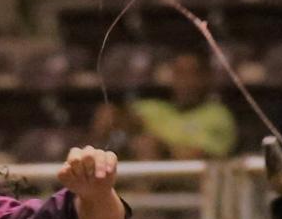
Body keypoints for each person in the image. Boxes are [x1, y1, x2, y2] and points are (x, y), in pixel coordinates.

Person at [91, 51, 237, 160]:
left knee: (147, 145)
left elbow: (205, 157)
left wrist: (163, 149)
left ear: (206, 78)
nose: (185, 81)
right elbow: (126, 118)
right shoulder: (154, 107)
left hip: (191, 189)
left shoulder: (218, 115)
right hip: (143, 179)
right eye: (179, 73)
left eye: (192, 74)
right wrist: (114, 116)